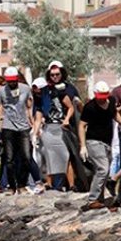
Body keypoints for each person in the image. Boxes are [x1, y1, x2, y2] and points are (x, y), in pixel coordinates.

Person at [78, 81, 121, 211]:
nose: (102, 100)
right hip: (93, 141)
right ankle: (93, 199)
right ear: (95, 95)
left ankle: (99, 199)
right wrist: (83, 146)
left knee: (102, 171)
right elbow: (81, 125)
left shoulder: (111, 101)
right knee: (103, 168)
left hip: (107, 142)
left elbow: (114, 114)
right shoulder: (90, 107)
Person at [32, 63, 75, 191]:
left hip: (60, 127)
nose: (38, 93)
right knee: (49, 156)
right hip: (49, 128)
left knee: (65, 156)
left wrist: (66, 119)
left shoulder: (59, 92)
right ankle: (51, 184)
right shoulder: (39, 99)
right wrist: (34, 133)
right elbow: (38, 117)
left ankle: (71, 184)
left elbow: (70, 107)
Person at [0, 67, 33, 194]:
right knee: (9, 159)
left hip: (23, 127)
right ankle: (12, 186)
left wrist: (33, 123)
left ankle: (22, 184)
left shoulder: (25, 89)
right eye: (9, 81)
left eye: (13, 81)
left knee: (26, 156)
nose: (12, 83)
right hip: (8, 127)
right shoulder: (1, 91)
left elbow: (29, 106)